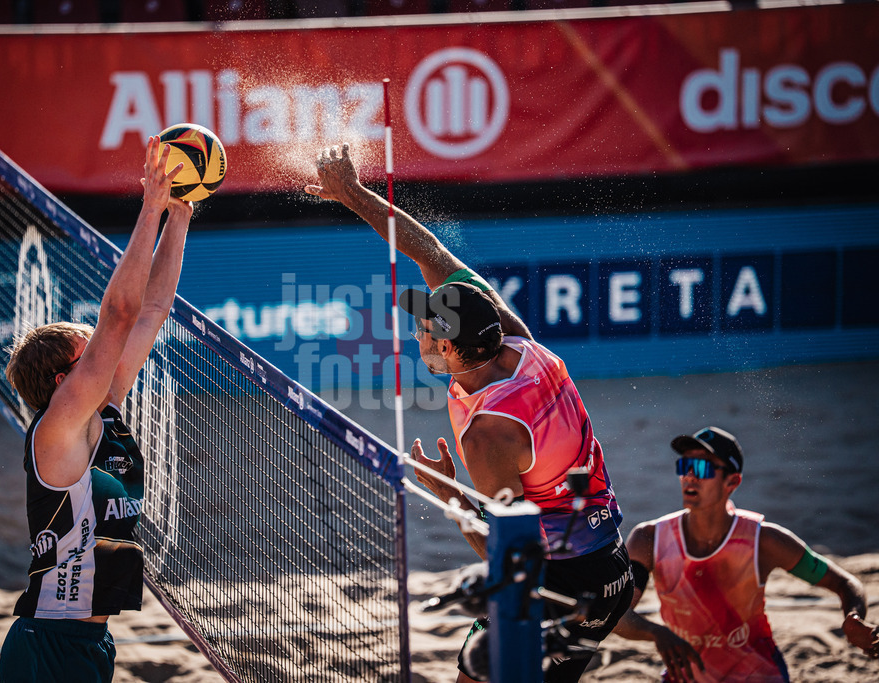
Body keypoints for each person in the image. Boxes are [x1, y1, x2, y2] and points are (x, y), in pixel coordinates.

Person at [306, 143, 633, 683]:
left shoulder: (489, 436)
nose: (417, 333)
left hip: (561, 585)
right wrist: (353, 193)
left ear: (455, 351)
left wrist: (451, 496)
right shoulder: (515, 340)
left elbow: (507, 554)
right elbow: (429, 252)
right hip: (608, 565)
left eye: (428, 330)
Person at [0, 136, 190, 682]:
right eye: (90, 354)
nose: (104, 355)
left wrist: (179, 214)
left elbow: (152, 308)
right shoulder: (58, 429)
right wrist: (149, 208)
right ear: (64, 381)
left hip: (89, 641)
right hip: (48, 644)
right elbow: (122, 311)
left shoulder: (100, 409)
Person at [614, 426, 879, 683]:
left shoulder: (764, 540)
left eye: (704, 467)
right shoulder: (649, 538)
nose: (690, 476)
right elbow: (618, 616)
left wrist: (853, 618)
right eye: (684, 466)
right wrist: (657, 633)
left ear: (733, 481)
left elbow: (845, 582)